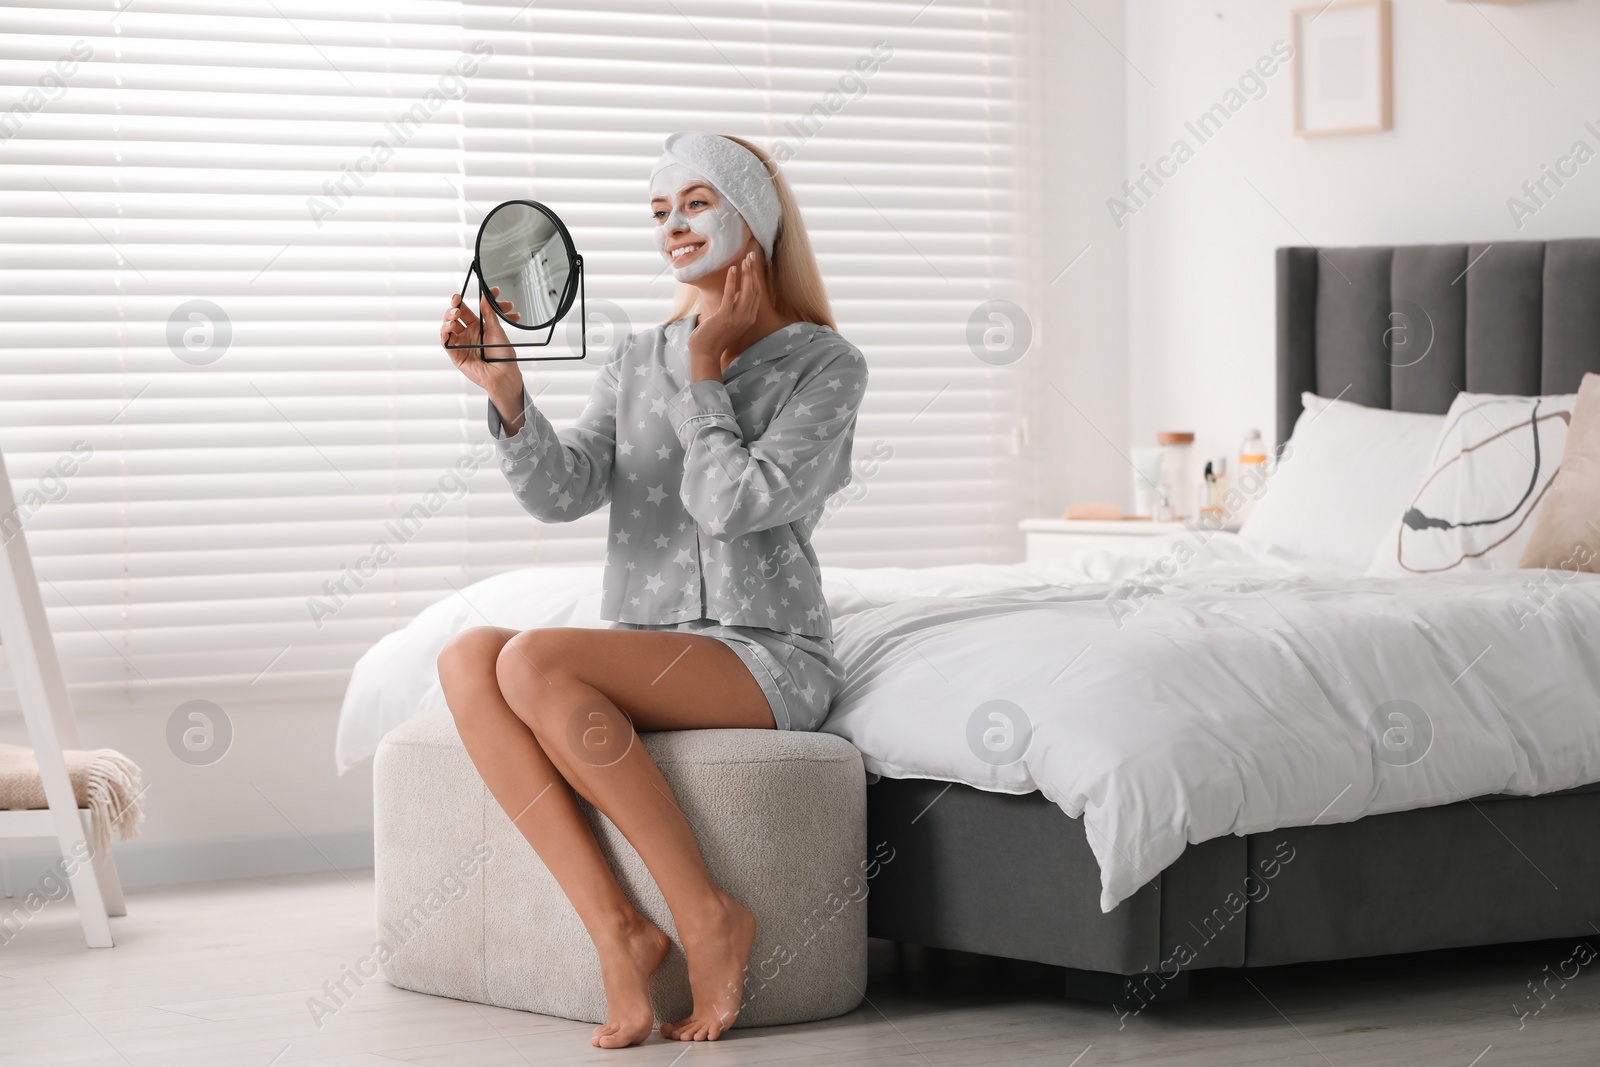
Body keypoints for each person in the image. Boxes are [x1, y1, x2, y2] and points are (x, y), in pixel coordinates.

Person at [436, 132, 868, 1048]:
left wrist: (706, 372)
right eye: (661, 210)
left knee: (537, 656)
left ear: (757, 217)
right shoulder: (636, 356)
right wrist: (509, 395)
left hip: (764, 653)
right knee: (472, 657)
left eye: (698, 203)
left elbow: (732, 502)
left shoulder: (824, 366)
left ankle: (708, 913)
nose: (674, 225)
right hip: (651, 648)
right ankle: (618, 932)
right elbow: (565, 492)